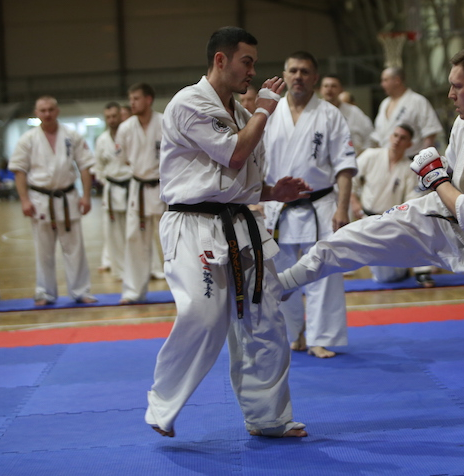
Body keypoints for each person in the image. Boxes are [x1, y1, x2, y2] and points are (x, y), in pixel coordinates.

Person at [278, 46, 464, 436]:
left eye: (457, 86)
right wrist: (435, 182)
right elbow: (455, 188)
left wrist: (435, 177)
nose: (450, 94)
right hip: (452, 215)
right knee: (366, 232)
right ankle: (288, 281)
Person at [147, 26, 309, 439]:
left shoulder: (241, 113)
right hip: (193, 226)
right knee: (203, 316)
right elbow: (235, 154)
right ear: (221, 60)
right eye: (246, 62)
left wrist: (273, 192)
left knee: (266, 319)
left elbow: (236, 179)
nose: (252, 72)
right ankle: (162, 406)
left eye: (254, 63)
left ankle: (269, 417)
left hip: (240, 223)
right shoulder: (189, 102)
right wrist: (265, 111)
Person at [262, 51, 357, 359]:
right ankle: (295, 332)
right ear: (284, 75)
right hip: (278, 208)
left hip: (321, 204)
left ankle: (321, 337)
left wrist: (342, 208)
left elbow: (344, 166)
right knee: (280, 274)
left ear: (315, 77)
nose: (298, 76)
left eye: (305, 71)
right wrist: (256, 200)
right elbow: (255, 161)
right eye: (293, 71)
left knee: (324, 270)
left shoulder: (330, 115)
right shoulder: (269, 113)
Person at [9, 96, 97, 305]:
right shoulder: (28, 139)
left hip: (68, 198)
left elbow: (85, 167)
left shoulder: (72, 135)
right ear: (36, 113)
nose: (47, 114)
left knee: (75, 249)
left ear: (57, 111)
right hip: (40, 199)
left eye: (50, 109)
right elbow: (19, 171)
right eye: (42, 110)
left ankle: (80, 291)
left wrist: (86, 196)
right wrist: (24, 200)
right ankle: (44, 292)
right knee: (43, 251)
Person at [350, 124, 425, 283]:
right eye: (395, 135)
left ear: (409, 144)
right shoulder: (371, 156)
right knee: (379, 274)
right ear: (390, 137)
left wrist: (399, 221)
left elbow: (412, 200)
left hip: (391, 223)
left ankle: (405, 269)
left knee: (387, 277)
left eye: (403, 138)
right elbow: (350, 179)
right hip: (365, 218)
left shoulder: (410, 169)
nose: (397, 140)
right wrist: (355, 203)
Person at [116, 83, 166, 304]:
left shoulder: (165, 122)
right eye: (131, 99)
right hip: (139, 189)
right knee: (134, 239)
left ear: (149, 99)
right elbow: (123, 159)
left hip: (163, 187)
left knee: (171, 240)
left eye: (136, 98)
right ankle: (133, 292)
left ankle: (183, 290)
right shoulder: (125, 128)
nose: (132, 103)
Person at [370, 67, 444, 157]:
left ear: (397, 80)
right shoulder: (384, 104)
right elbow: (378, 137)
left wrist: (424, 159)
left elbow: (430, 133)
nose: (382, 84)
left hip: (412, 157)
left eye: (385, 80)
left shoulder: (418, 101)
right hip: (387, 158)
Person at [93, 101, 130, 278]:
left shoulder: (130, 135)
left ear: (120, 116)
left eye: (115, 116)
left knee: (136, 231)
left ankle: (145, 269)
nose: (112, 120)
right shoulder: (102, 140)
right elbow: (98, 166)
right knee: (113, 233)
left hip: (132, 187)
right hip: (112, 188)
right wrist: (105, 182)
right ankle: (118, 269)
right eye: (108, 117)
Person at [320, 74, 374, 155]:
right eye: (326, 86)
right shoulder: (313, 112)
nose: (329, 89)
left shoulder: (354, 111)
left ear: (341, 89)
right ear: (320, 89)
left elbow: (369, 136)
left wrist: (364, 155)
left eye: (334, 86)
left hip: (354, 158)